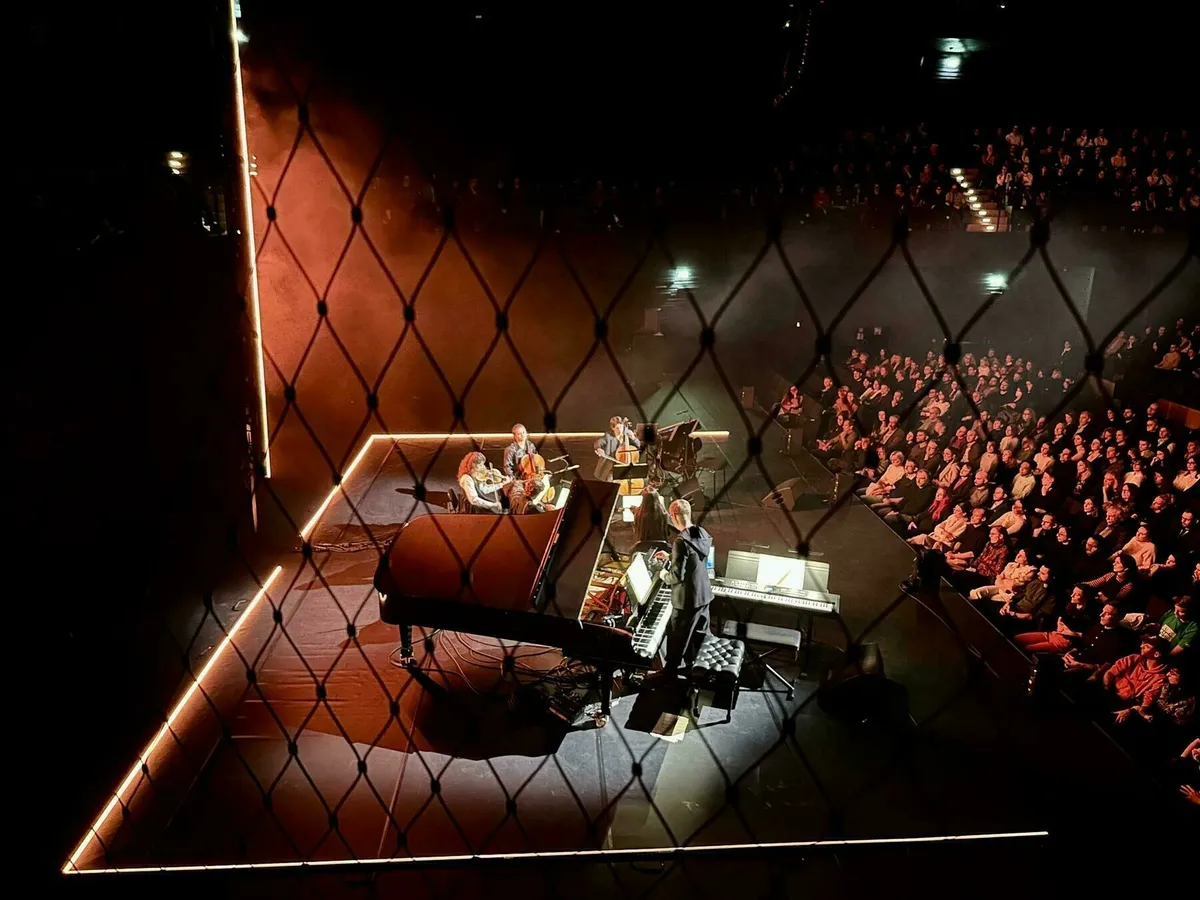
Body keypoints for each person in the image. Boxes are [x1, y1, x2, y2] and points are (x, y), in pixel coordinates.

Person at [652, 499, 714, 679]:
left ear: (673, 516)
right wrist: (671, 555)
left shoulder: (680, 541)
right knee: (699, 636)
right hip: (703, 595)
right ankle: (694, 668)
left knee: (677, 638)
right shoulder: (700, 532)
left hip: (687, 599)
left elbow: (675, 577)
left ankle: (668, 673)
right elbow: (692, 555)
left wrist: (661, 573)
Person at [502, 423, 550, 510]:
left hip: (532, 475)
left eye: (524, 432)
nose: (523, 435)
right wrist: (514, 480)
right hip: (519, 478)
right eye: (519, 434)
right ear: (514, 436)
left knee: (544, 483)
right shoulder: (510, 450)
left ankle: (538, 505)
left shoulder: (530, 445)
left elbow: (536, 459)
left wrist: (539, 472)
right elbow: (507, 467)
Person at [593, 415, 640, 481]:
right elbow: (597, 443)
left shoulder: (628, 434)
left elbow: (639, 445)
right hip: (611, 467)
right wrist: (599, 448)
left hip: (626, 465)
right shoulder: (608, 436)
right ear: (613, 428)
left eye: (621, 427)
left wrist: (634, 438)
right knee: (611, 481)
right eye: (617, 428)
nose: (620, 430)